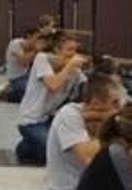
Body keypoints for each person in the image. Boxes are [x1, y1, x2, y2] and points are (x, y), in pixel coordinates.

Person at [44, 73, 123, 190]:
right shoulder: (69, 114)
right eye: (115, 103)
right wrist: (113, 129)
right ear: (96, 103)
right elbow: (89, 157)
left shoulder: (104, 118)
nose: (119, 108)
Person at [15, 29, 88, 164]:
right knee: (54, 154)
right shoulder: (42, 59)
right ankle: (26, 146)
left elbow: (88, 88)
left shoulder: (75, 72)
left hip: (50, 120)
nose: (73, 55)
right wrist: (70, 66)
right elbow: (53, 85)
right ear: (56, 50)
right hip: (31, 120)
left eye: (75, 50)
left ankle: (30, 144)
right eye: (69, 50)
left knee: (63, 150)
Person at [0, 28, 42, 103]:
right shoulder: (15, 44)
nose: (38, 41)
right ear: (29, 36)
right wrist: (36, 51)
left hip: (26, 75)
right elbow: (23, 62)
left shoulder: (32, 49)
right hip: (16, 78)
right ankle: (9, 92)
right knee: (29, 92)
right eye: (37, 38)